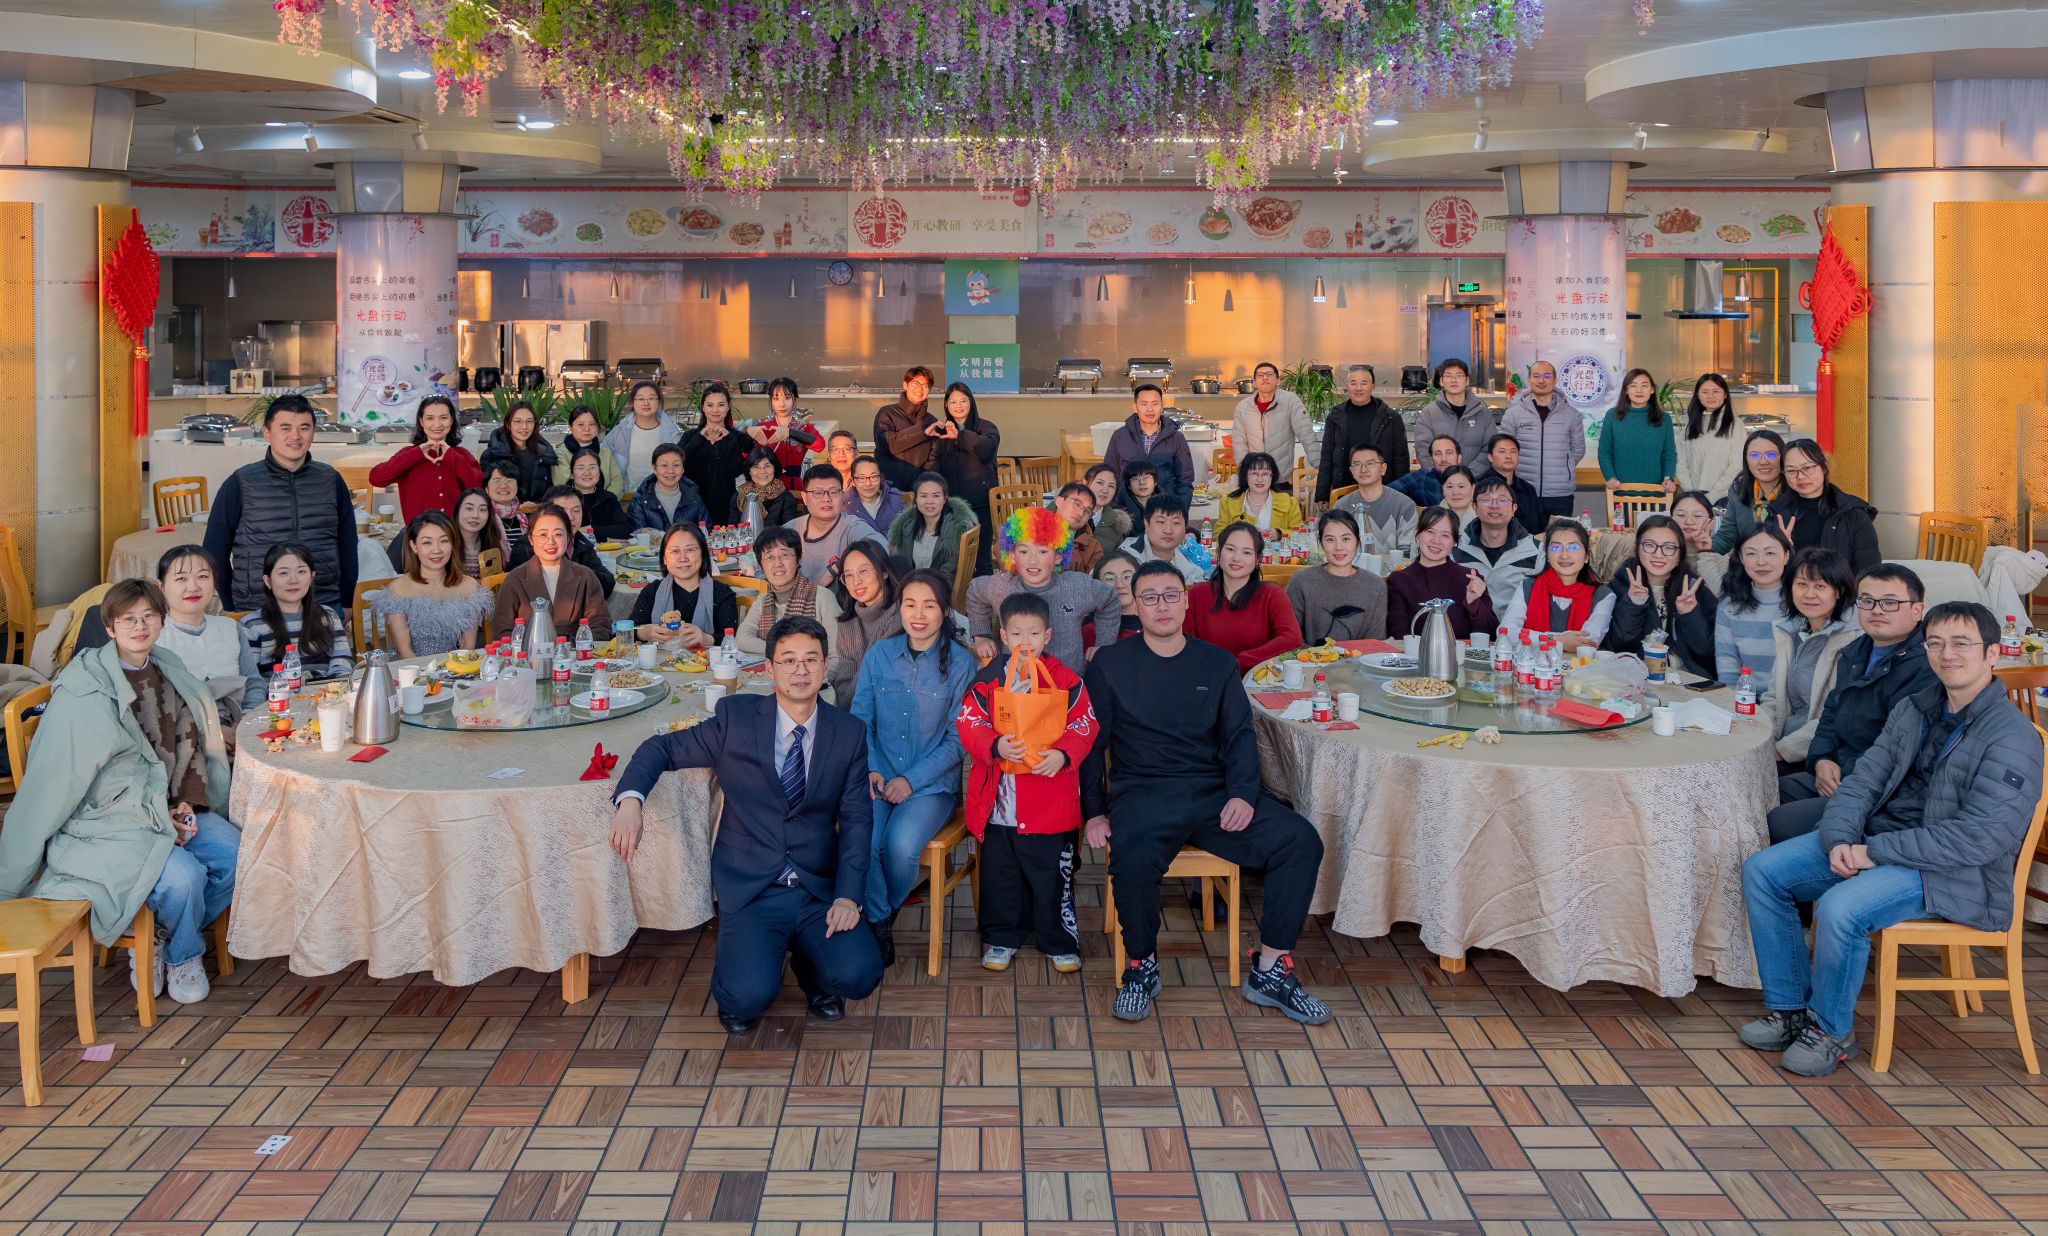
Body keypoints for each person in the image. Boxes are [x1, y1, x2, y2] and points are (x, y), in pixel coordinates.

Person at [1737, 601, 2044, 1077]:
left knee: (1841, 908)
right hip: (1879, 841)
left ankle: (1831, 1031)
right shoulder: (1915, 708)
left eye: (1961, 644)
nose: (1947, 654)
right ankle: (1790, 1009)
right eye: (1936, 643)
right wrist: (1840, 837)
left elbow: (1977, 840)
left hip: (1951, 873)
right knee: (1763, 871)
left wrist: (1871, 852)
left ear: (1992, 653)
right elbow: (1863, 781)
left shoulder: (2011, 737)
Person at [1082, 561, 1330, 1025]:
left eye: (1170, 595)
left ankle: (1271, 969)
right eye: (1149, 597)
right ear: (1136, 605)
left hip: (1213, 793)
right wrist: (1094, 812)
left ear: (1186, 601)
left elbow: (1239, 736)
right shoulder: (1110, 665)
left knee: (1300, 841)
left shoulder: (1216, 663)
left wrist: (1242, 794)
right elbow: (1093, 745)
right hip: (1143, 793)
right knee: (1132, 860)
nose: (1161, 605)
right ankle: (1141, 966)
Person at [609, 615, 883, 1033]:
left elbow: (858, 820)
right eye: (788, 660)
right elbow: (660, 748)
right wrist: (631, 801)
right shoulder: (736, 720)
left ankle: (813, 972)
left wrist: (848, 897)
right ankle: (748, 968)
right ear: (769, 668)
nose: (800, 670)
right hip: (754, 887)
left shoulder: (847, 732)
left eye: (811, 659)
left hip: (817, 888)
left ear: (825, 667)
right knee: (745, 997)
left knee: (860, 974)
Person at [0, 578, 237, 1005]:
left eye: (148, 616)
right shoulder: (85, 690)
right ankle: (186, 955)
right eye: (128, 619)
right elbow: (63, 781)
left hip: (169, 804)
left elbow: (188, 743)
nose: (139, 626)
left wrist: (186, 800)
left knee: (237, 855)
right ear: (110, 627)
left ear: (162, 622)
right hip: (111, 821)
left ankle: (163, 935)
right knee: (183, 878)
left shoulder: (166, 668)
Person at [958, 591, 1097, 972]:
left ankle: (1058, 939)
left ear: (1047, 635)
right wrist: (995, 744)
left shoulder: (1066, 681)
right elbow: (969, 722)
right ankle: (1002, 937)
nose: (1025, 642)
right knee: (1000, 874)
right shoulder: (988, 680)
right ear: (1003, 636)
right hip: (1000, 802)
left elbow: (1085, 724)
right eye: (1016, 634)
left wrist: (1063, 754)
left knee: (1052, 874)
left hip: (1048, 801)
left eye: (1034, 634)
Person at [849, 570, 977, 964]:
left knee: (900, 846)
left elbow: (958, 741)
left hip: (930, 786)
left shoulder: (961, 664)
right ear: (899, 608)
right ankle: (879, 921)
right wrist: (871, 768)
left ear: (945, 611)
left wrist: (910, 780)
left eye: (929, 606)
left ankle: (878, 912)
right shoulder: (879, 655)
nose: (918, 615)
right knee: (864, 840)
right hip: (876, 775)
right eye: (910, 604)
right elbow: (860, 719)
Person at [1768, 563, 1937, 842]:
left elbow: (1897, 747)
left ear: (1917, 610)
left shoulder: (1925, 667)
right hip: (1839, 771)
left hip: (1881, 789)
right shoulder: (1855, 651)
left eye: (1890, 603)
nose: (1877, 610)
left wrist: (1843, 774)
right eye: (1867, 601)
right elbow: (1831, 714)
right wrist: (1822, 759)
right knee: (1767, 790)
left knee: (1780, 821)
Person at [203, 394, 357, 611]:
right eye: (285, 428)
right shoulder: (241, 482)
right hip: (256, 607)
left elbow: (348, 542)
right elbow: (214, 550)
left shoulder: (330, 480)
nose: (295, 436)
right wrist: (230, 604)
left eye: (304, 428)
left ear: (313, 432)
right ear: (267, 433)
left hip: (323, 603)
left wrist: (347, 600)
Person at [78, 546, 248, 734]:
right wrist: (213, 734)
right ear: (161, 587)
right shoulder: (146, 635)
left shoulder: (231, 628)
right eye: (181, 578)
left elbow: (253, 682)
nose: (193, 587)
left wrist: (246, 725)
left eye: (202, 576)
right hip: (183, 733)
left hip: (241, 726)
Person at [968, 506, 1123, 670]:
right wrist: (981, 635)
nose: (1033, 560)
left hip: (1068, 681)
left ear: (1058, 556)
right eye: (1024, 551)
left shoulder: (1076, 586)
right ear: (1012, 556)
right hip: (1016, 681)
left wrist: (1103, 645)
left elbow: (1110, 599)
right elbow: (975, 592)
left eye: (1042, 551)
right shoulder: (1002, 586)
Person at [1766, 547, 1860, 774]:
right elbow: (1772, 697)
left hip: (1821, 756)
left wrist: (1781, 751)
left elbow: (1837, 716)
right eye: (1801, 584)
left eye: (1820, 586)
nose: (1809, 594)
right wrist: (1760, 739)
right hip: (1780, 746)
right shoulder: (1791, 631)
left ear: (1839, 591)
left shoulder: (1853, 641)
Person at [237, 543, 353, 708]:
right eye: (283, 573)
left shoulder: (327, 616)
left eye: (301, 572)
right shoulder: (252, 626)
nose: (293, 580)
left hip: (326, 703)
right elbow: (251, 681)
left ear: (311, 577)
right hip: (277, 707)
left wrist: (330, 693)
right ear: (268, 581)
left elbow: (342, 662)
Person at [1601, 514, 1717, 677]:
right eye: (1650, 545)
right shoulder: (1621, 583)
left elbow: (1707, 650)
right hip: (1637, 676)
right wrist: (1633, 604)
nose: (1658, 554)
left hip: (1687, 679)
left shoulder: (1693, 588)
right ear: (1638, 548)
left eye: (1669, 548)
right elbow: (1617, 647)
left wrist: (1690, 614)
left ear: (1679, 554)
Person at [1184, 522, 1305, 670]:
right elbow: (1185, 644)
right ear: (1219, 552)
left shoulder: (1272, 594)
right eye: (1230, 549)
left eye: (1246, 552)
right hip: (1207, 677)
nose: (1237, 558)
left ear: (1258, 559)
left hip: (1258, 678)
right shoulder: (1197, 594)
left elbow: (1292, 639)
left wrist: (1238, 662)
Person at [374, 511, 492, 659]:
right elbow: (404, 652)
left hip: (455, 668)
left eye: (444, 541)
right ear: (414, 546)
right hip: (409, 670)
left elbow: (467, 647)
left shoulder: (469, 587)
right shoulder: (398, 590)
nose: (437, 550)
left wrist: (451, 671)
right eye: (427, 543)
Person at [735, 526, 844, 684]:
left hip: (814, 685)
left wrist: (812, 683)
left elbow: (838, 657)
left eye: (785, 555)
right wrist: (785, 653)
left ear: (798, 559)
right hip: (772, 683)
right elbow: (742, 639)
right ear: (761, 566)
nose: (777, 563)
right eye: (769, 557)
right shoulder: (763, 601)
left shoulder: (822, 598)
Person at [489, 504, 609, 640]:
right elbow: (502, 630)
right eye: (543, 534)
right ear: (530, 539)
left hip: (576, 650)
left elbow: (600, 626)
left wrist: (576, 647)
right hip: (529, 651)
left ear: (569, 537)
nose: (550, 541)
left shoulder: (586, 576)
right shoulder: (515, 578)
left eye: (558, 534)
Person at [1385, 507, 1496, 640]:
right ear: (1418, 534)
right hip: (1418, 652)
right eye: (1430, 531)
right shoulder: (1399, 580)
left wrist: (1474, 604)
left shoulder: (1470, 578)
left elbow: (1491, 635)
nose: (1436, 540)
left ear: (1454, 542)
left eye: (1445, 535)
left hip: (1463, 652)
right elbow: (1398, 635)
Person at [1501, 519, 1611, 652]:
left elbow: (1588, 641)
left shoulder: (1604, 595)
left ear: (1586, 556)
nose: (1564, 555)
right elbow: (1505, 633)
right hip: (1530, 663)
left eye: (1573, 548)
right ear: (1547, 555)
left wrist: (1535, 638)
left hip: (1579, 665)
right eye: (1556, 548)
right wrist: (1558, 640)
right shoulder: (1527, 587)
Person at [369, 394, 483, 522]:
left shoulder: (462, 454)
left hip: (455, 531)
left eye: (444, 418)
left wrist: (453, 457)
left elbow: (478, 487)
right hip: (418, 532)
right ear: (421, 422)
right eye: (430, 418)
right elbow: (376, 479)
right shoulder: (408, 454)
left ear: (451, 420)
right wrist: (415, 453)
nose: (437, 424)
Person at [1774, 439, 1880, 573]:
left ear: (1824, 467)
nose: (1800, 476)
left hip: (1841, 586)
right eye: (1791, 471)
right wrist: (1780, 550)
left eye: (1807, 468)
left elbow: (1868, 571)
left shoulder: (1853, 512)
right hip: (1793, 586)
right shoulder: (1777, 512)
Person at [1497, 360, 1584, 522]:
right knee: (1523, 537)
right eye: (1536, 376)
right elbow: (1503, 450)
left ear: (1555, 380)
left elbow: (1578, 450)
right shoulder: (1513, 413)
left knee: (1558, 536)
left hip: (1560, 493)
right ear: (1529, 379)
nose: (1541, 380)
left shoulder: (1571, 414)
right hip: (1522, 491)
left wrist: (1565, 467)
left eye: (1547, 376)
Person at [630, 522, 739, 650]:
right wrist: (642, 633)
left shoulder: (722, 593)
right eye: (675, 551)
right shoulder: (652, 592)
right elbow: (623, 632)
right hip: (658, 662)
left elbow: (734, 639)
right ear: (664, 558)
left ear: (703, 554)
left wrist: (707, 638)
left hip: (707, 662)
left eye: (690, 550)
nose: (683, 558)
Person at [932, 381, 1002, 575]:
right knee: (952, 561)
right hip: (952, 508)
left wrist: (960, 435)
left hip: (981, 506)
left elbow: (984, 450)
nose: (959, 406)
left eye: (963, 400)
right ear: (946, 405)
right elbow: (934, 466)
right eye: (953, 402)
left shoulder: (986, 427)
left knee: (982, 561)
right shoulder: (941, 431)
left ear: (971, 401)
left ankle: (985, 594)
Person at [1287, 513, 1389, 644]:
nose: (1338, 547)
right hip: (1309, 657)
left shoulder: (1375, 586)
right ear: (1321, 543)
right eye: (1330, 540)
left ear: (1357, 542)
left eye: (1346, 539)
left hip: (1361, 657)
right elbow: (1291, 638)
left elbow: (1375, 643)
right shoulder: (1301, 581)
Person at [1318, 364, 1410, 507]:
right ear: (1347, 387)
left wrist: (1400, 495)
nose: (1358, 388)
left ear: (1372, 387)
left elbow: (1401, 459)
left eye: (1364, 383)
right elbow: (1326, 457)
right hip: (1343, 489)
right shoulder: (1335, 417)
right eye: (1353, 383)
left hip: (1382, 491)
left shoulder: (1390, 417)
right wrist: (1322, 494)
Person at [1452, 474, 1543, 615]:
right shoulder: (1456, 549)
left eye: (1502, 500)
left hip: (1517, 625)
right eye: (1486, 500)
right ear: (1474, 507)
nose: (1494, 506)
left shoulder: (1536, 551)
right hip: (1470, 625)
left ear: (1514, 508)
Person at [1715, 524, 1792, 687]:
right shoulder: (1729, 606)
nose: (1760, 562)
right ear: (1741, 558)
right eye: (1751, 553)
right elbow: (1727, 665)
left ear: (1786, 556)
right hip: (1746, 698)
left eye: (1770, 553)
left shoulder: (1803, 603)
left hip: (1791, 699)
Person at [827, 541, 902, 706]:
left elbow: (870, 675)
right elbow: (844, 678)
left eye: (863, 571)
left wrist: (846, 714)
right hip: (850, 711)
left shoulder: (900, 615)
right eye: (848, 575)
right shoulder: (848, 621)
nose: (856, 581)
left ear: (884, 572)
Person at [1102, 384, 1195, 510]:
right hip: (1126, 510)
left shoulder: (1176, 438)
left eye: (1155, 404)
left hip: (1164, 510)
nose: (1150, 409)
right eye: (1144, 404)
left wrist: (1180, 511)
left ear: (1162, 406)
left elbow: (1185, 480)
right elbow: (1109, 475)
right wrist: (1114, 510)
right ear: (1135, 408)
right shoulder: (1120, 436)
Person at [513, 486, 616, 598]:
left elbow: (607, 583)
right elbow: (520, 592)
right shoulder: (526, 545)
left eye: (576, 511)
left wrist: (578, 574)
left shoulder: (582, 542)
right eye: (561, 511)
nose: (570, 517)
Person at [789, 464, 885, 584]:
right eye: (818, 493)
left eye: (833, 492)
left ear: (842, 495)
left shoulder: (852, 526)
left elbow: (881, 548)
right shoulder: (791, 529)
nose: (826, 499)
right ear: (804, 497)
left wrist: (835, 568)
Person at [887, 472, 978, 587]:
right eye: (923, 496)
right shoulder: (906, 528)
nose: (929, 501)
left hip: (939, 590)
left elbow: (949, 575)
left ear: (944, 498)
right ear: (916, 499)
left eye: (936, 496)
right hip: (910, 589)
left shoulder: (955, 531)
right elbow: (900, 568)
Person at [1597, 368, 1678, 495]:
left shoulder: (1664, 419)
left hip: (1656, 493)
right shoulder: (1612, 416)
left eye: (1644, 386)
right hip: (1621, 491)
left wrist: (1668, 478)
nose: (1639, 390)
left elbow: (1668, 454)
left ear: (1652, 390)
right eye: (1633, 386)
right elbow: (1605, 452)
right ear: (1626, 390)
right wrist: (1610, 477)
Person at [681, 381, 750, 524]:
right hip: (695, 506)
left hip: (729, 508)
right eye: (710, 405)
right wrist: (699, 438)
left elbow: (739, 471)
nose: (715, 410)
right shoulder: (689, 437)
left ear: (728, 407)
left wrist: (729, 440)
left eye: (721, 405)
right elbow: (681, 466)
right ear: (703, 407)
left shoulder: (739, 438)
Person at [1233, 362, 1314, 483]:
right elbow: (1239, 442)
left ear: (1278, 381)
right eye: (1260, 375)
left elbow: (1306, 433)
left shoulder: (1290, 401)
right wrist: (1244, 470)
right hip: (1254, 478)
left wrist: (1318, 464)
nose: (1265, 377)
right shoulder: (1243, 407)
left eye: (1269, 374)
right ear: (1254, 382)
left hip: (1282, 477)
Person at [1331, 443, 1417, 553]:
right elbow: (1335, 547)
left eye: (1370, 464)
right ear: (1352, 471)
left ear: (1383, 468)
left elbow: (1408, 553)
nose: (1363, 469)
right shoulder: (1341, 506)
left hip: (1394, 564)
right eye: (1357, 464)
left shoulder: (1404, 505)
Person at [1713, 430, 1787, 553]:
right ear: (1746, 460)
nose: (1763, 462)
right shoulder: (1739, 489)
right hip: (1749, 561)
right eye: (1755, 455)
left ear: (1783, 457)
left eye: (1771, 455)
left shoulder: (1795, 490)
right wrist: (1704, 544)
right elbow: (1726, 537)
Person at [602, 380, 684, 491]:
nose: (646, 403)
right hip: (627, 495)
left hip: (661, 494)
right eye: (640, 399)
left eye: (651, 398)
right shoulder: (619, 432)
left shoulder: (671, 433)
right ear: (632, 403)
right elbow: (603, 459)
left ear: (659, 402)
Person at [1411, 358, 1495, 466]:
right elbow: (1423, 450)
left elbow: (1489, 449)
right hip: (1440, 476)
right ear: (1441, 381)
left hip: (1475, 476)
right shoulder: (1428, 413)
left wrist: (1468, 474)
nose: (1454, 380)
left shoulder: (1483, 413)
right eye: (1448, 376)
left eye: (1459, 375)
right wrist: (1444, 474)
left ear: (1467, 380)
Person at [1675, 374, 1744, 499]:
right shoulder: (1690, 425)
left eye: (1715, 392)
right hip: (1693, 497)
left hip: (1725, 497)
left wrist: (1712, 497)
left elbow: (1737, 465)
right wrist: (1691, 493)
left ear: (1725, 394)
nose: (1710, 396)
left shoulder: (1735, 425)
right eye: (1705, 392)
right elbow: (1680, 462)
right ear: (1698, 395)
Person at [479, 399, 559, 503]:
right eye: (518, 421)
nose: (524, 427)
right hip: (503, 511)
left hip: (537, 511)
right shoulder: (492, 454)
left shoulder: (544, 454)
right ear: (508, 424)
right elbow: (485, 493)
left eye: (529, 421)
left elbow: (549, 491)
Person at [873, 365, 939, 490]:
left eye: (925, 385)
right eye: (915, 384)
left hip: (919, 490)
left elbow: (933, 460)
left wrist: (923, 484)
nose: (920, 389)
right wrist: (921, 432)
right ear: (905, 385)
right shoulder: (887, 413)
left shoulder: (931, 421)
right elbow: (886, 444)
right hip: (889, 488)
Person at [746, 377, 824, 483]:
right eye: (776, 398)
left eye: (787, 398)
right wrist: (747, 432)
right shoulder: (762, 426)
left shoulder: (803, 427)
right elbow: (745, 456)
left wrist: (790, 432)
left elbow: (820, 445)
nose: (782, 404)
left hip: (793, 484)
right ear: (771, 400)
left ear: (795, 399)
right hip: (765, 483)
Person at [627, 443, 711, 533]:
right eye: (664, 465)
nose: (670, 471)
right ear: (654, 469)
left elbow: (706, 531)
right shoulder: (640, 500)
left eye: (676, 465)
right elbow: (639, 535)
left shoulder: (693, 496)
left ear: (683, 469)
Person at [1121, 496, 1206, 582]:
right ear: (1147, 524)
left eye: (1176, 523)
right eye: (1161, 522)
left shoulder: (1186, 562)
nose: (1168, 530)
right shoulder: (1128, 559)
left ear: (1185, 528)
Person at [1474, 434, 1544, 538]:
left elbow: (1539, 525)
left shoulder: (1528, 489)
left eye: (1513, 451)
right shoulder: (1478, 486)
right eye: (1502, 451)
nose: (1508, 456)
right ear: (1490, 457)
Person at [1216, 452, 1305, 533]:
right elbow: (1217, 535)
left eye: (1265, 474)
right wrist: (1242, 535)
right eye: (1255, 473)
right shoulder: (1228, 502)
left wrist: (1279, 534)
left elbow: (1300, 534)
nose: (1260, 479)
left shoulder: (1289, 503)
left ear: (1272, 476)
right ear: (1245, 476)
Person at [549, 404, 627, 495]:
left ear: (597, 427)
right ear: (570, 427)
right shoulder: (561, 453)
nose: (587, 429)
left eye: (591, 424)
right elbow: (561, 485)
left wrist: (606, 500)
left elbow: (617, 481)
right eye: (580, 424)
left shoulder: (606, 453)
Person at [1669, 490, 1729, 591]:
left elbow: (1719, 593)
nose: (1689, 522)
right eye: (1681, 515)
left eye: (1697, 516)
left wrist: (1705, 553)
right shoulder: (1661, 549)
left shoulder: (1720, 553)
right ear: (1671, 519)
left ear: (1711, 522)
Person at [565, 449, 631, 540]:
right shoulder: (561, 498)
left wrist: (590, 529)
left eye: (592, 467)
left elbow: (624, 530)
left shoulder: (608, 498)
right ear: (572, 473)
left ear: (599, 472)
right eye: (581, 468)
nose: (587, 473)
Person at [735, 446, 803, 529]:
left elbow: (788, 533)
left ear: (774, 469)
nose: (762, 471)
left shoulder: (786, 499)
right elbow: (732, 529)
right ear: (749, 471)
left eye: (767, 466)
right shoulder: (740, 495)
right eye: (756, 467)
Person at [842, 455, 905, 539]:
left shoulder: (897, 500)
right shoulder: (843, 505)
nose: (868, 483)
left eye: (873, 477)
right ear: (853, 481)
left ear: (881, 478)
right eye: (861, 478)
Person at [454, 487, 509, 580]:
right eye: (469, 508)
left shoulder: (494, 545)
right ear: (457, 510)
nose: (475, 515)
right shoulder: (445, 544)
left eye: (482, 510)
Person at [1388, 435, 1459, 507]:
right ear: (1431, 459)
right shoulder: (1420, 478)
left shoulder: (1466, 478)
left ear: (1459, 458)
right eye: (1438, 454)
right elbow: (1386, 494)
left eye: (1449, 453)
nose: (1444, 459)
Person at [1054, 482, 1105, 574]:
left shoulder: (1093, 547)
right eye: (1077, 504)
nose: (1080, 513)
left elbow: (1095, 580)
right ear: (1059, 501)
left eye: (1087, 511)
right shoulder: (1033, 529)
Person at [1093, 551, 1142, 641]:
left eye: (1127, 577)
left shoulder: (1157, 620)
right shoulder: (1092, 631)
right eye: (1110, 579)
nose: (1120, 585)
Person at [1085, 462, 1133, 550]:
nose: (1105, 490)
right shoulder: (1064, 515)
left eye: (1111, 486)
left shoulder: (1116, 523)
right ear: (1085, 483)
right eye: (1100, 483)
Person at [485, 461, 530, 551]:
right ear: (486, 488)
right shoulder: (483, 517)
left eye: (509, 480)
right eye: (497, 481)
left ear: (517, 486)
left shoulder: (526, 518)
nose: (503, 486)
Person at [1112, 459, 1160, 530]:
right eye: (1135, 479)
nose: (1142, 483)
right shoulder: (1117, 512)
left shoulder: (1169, 506)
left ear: (1155, 482)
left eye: (1146, 477)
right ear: (1128, 485)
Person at [1439, 466, 1479, 536]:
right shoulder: (1432, 517)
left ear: (1473, 488)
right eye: (1450, 487)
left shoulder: (1484, 517)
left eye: (1461, 486)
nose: (1455, 492)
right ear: (1443, 489)